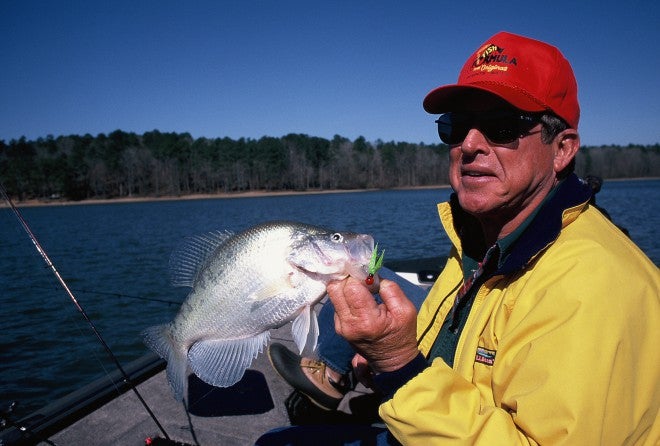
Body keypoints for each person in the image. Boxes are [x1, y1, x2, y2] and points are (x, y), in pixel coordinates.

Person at [257, 31, 660, 445]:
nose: (469, 144)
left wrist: (399, 367)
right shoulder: (481, 241)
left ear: (561, 149)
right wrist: (388, 362)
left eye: (502, 127)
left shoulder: (590, 286)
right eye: (456, 126)